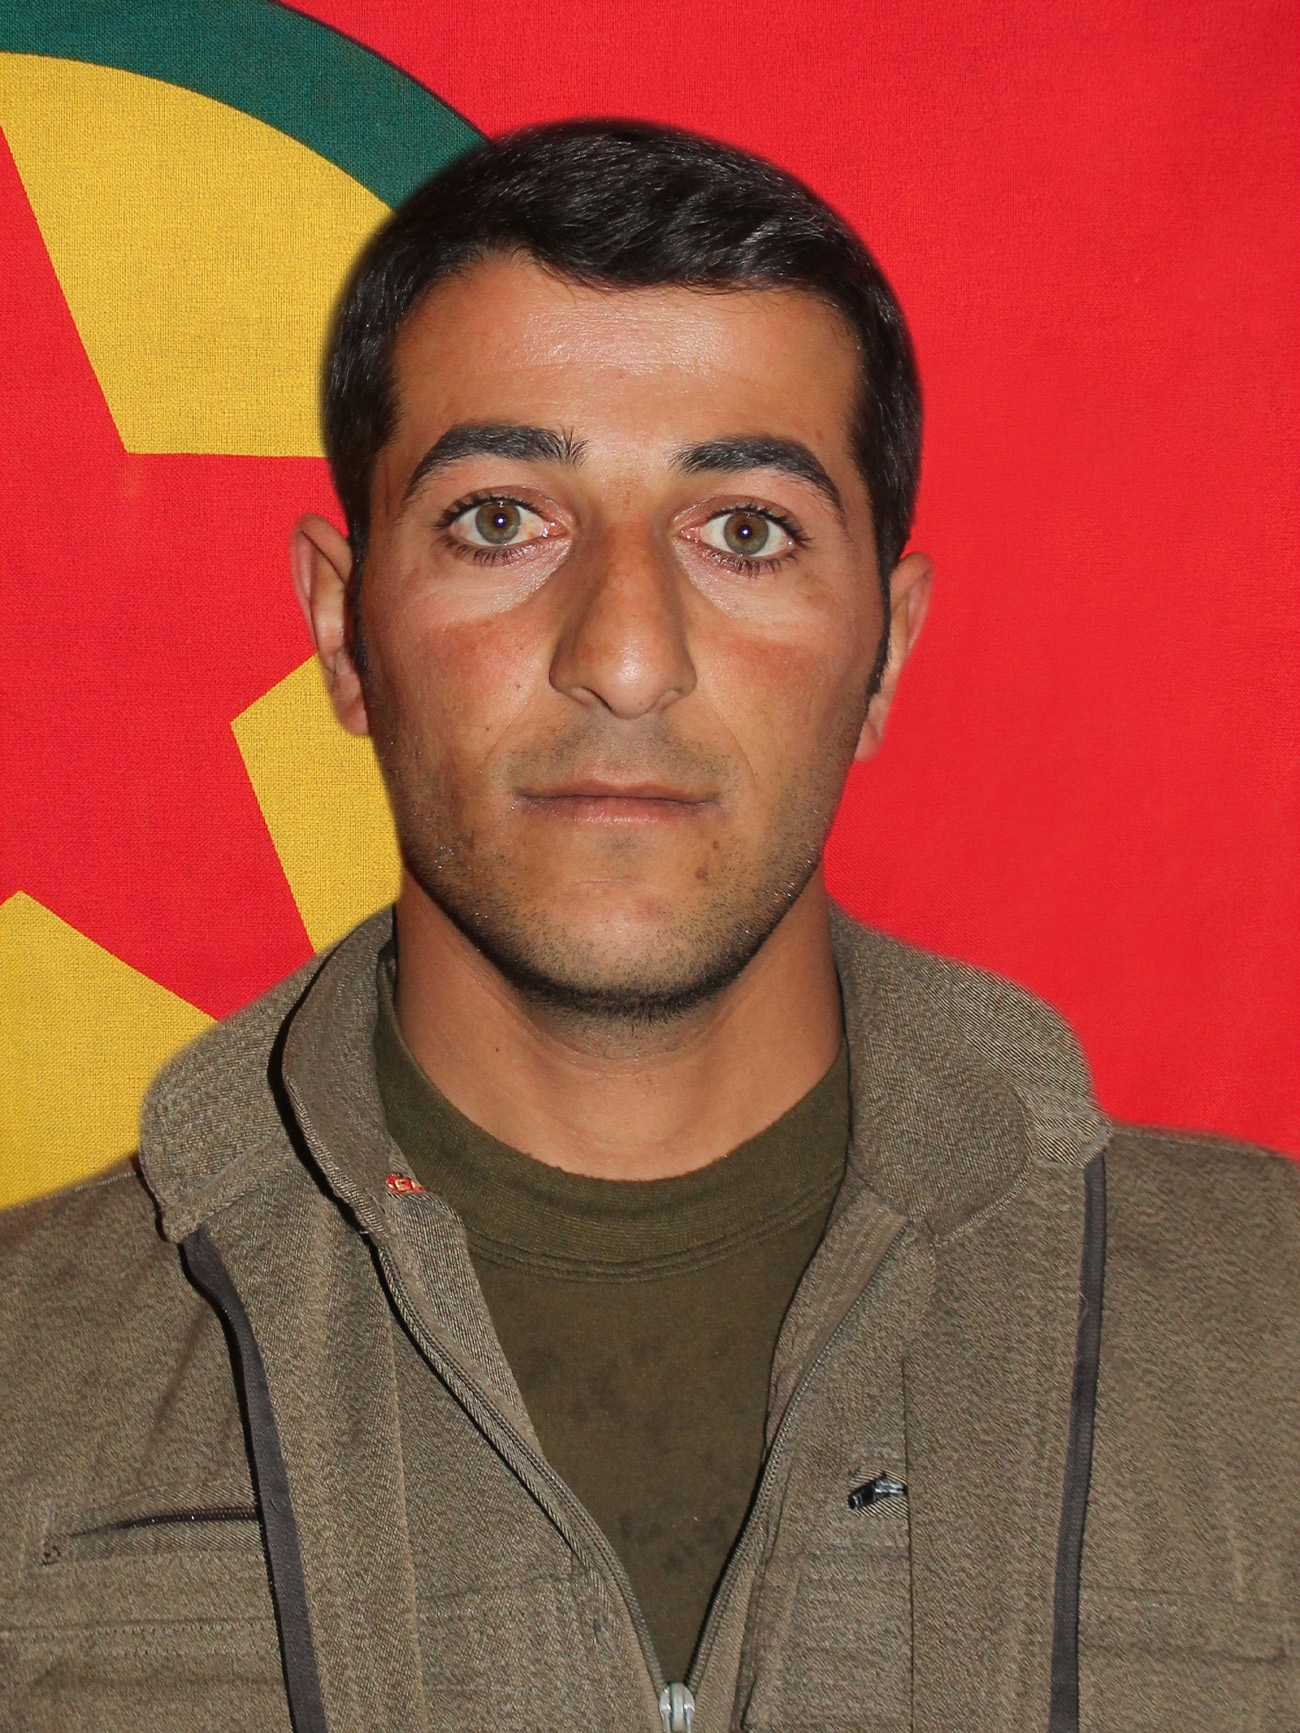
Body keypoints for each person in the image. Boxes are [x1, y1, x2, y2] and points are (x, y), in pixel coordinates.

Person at [1, 121, 1295, 1733]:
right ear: (342, 626)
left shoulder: (1269, 1330)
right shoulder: (29, 1383)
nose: (623, 656)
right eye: (500, 519)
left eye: (745, 528)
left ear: (886, 651)